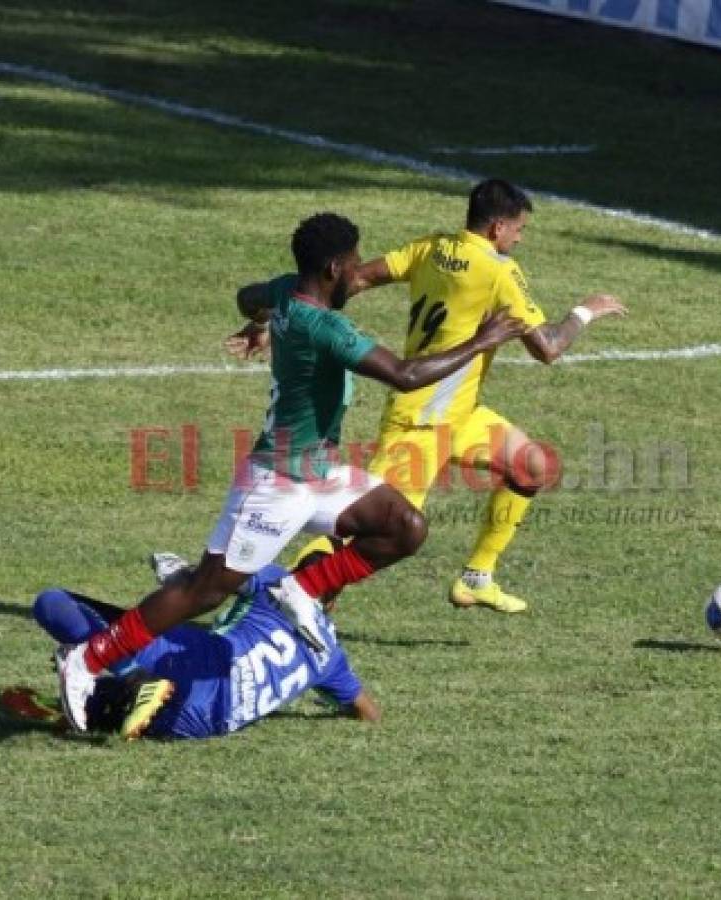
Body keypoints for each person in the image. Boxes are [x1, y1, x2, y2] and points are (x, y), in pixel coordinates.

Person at [57, 212, 526, 731]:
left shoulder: (286, 293)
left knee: (403, 526)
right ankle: (88, 660)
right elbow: (406, 375)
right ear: (332, 268)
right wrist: (483, 339)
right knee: (204, 590)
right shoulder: (325, 326)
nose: (358, 275)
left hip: (319, 473)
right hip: (275, 482)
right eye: (352, 266)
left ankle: (301, 591)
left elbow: (245, 296)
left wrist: (261, 325)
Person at [276, 180, 628, 613]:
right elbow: (547, 347)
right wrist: (584, 312)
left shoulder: (432, 248)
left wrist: (290, 312)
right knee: (356, 531)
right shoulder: (499, 271)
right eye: (519, 229)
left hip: (460, 412)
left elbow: (359, 277)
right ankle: (284, 596)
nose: (520, 238)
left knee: (532, 465)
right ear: (498, 227)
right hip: (423, 419)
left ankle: (477, 577)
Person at [16, 565, 378, 740]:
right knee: (130, 701)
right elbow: (367, 712)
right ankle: (94, 706)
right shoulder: (331, 658)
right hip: (200, 725)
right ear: (333, 602)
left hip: (200, 665)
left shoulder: (280, 584)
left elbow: (216, 578)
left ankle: (132, 679)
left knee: (55, 604)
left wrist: (180, 573)